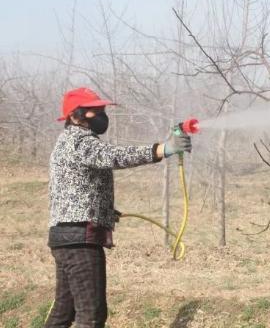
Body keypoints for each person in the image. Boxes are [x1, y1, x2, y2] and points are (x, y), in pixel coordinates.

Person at [44, 87, 191, 328]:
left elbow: (73, 189)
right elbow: (112, 156)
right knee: (91, 317)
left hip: (66, 237)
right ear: (74, 116)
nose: (101, 116)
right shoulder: (79, 141)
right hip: (79, 240)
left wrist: (104, 212)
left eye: (102, 110)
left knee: (63, 314)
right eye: (94, 111)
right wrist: (162, 149)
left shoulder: (67, 142)